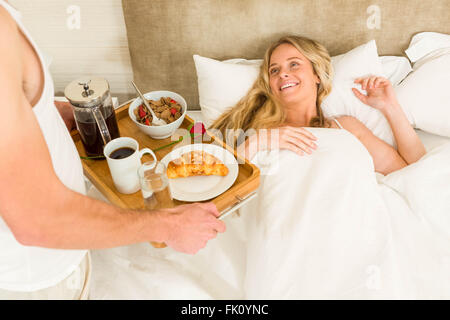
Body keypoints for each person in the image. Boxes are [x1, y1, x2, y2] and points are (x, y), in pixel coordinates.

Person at [0, 0, 225, 299]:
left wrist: (47, 111)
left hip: (60, 254)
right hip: (36, 275)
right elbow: (36, 219)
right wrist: (168, 226)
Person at [211, 35, 426, 176]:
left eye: (294, 64)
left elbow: (412, 172)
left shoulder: (346, 127)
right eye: (274, 70)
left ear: (316, 74)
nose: (283, 73)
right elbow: (220, 185)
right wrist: (258, 142)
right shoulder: (259, 132)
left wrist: (390, 107)